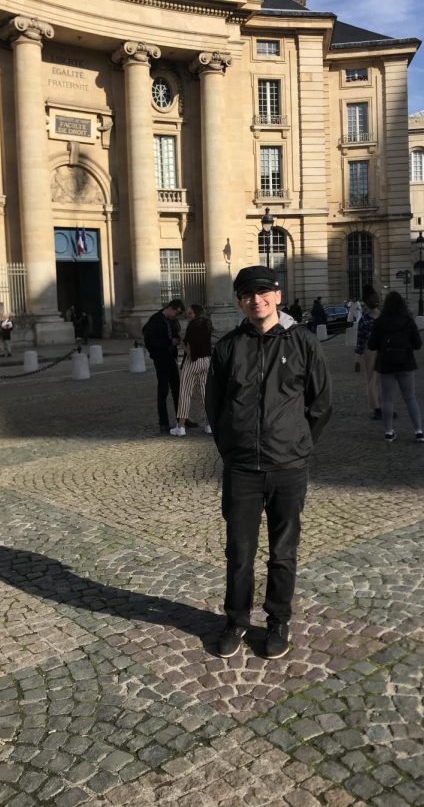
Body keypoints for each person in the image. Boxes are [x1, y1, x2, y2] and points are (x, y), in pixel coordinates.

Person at [205, 266, 332, 660]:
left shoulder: (304, 343)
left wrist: (299, 445)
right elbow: (214, 406)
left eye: (262, 291)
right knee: (239, 551)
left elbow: (321, 403)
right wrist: (232, 449)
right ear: (239, 301)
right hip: (242, 468)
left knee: (283, 550)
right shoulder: (227, 347)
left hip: (288, 466)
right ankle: (236, 620)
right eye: (247, 294)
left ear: (277, 295)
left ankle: (278, 620)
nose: (255, 299)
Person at [368, 290, 424, 443]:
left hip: (386, 364)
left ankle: (388, 432)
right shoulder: (408, 321)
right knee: (410, 397)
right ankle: (418, 431)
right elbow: (418, 344)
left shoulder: (380, 322)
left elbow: (372, 345)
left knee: (387, 399)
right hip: (406, 362)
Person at [142, 298, 185, 434]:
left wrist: (177, 338)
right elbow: (149, 340)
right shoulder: (155, 320)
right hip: (161, 359)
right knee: (163, 391)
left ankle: (182, 420)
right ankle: (163, 423)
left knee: (177, 389)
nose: (176, 316)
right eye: (176, 313)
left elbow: (175, 332)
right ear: (171, 308)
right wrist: (168, 342)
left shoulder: (172, 321)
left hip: (171, 357)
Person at [170, 304, 213, 436]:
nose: (187, 315)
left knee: (184, 393)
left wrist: (182, 343)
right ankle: (208, 424)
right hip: (206, 361)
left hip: (192, 361)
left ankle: (181, 426)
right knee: (205, 394)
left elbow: (189, 350)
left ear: (195, 314)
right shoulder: (207, 324)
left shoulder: (192, 326)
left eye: (190, 313)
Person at [354, 286, 381, 419]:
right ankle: (379, 407)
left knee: (378, 380)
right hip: (373, 352)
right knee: (375, 381)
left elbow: (360, 341)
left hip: (376, 351)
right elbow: (360, 341)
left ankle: (381, 407)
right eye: (373, 298)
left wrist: (357, 358)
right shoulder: (366, 319)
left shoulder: (369, 318)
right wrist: (357, 359)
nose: (375, 300)